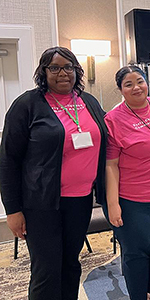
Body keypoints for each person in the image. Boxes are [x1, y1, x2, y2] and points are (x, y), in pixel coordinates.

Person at [0, 46, 107, 300]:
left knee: (71, 264)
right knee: (46, 271)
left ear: (76, 71)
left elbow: (108, 138)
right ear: (43, 71)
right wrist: (13, 210)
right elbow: (8, 160)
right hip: (41, 204)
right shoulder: (27, 105)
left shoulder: (88, 101)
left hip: (81, 200)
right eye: (55, 67)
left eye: (68, 67)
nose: (63, 73)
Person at [104, 65, 150, 300]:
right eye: (129, 84)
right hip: (132, 199)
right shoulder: (113, 120)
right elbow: (110, 165)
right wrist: (113, 204)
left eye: (140, 81)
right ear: (120, 90)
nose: (136, 87)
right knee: (137, 254)